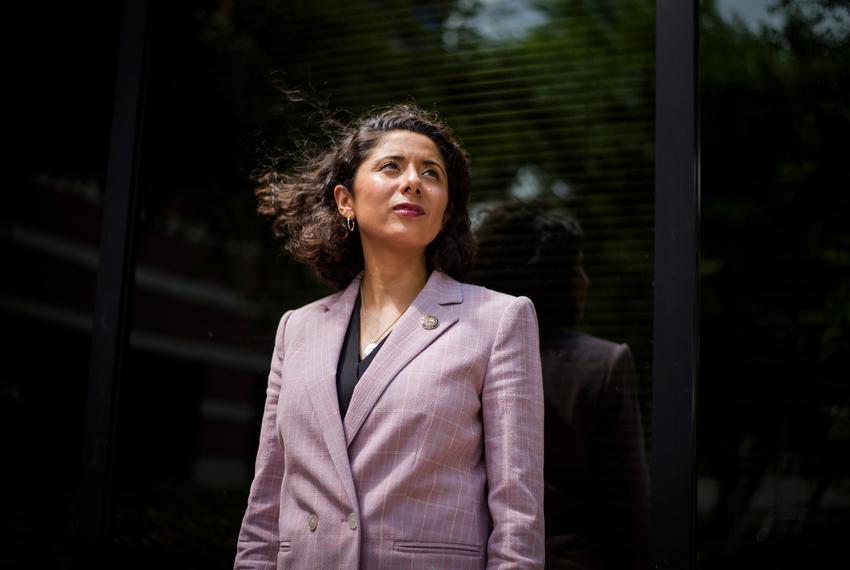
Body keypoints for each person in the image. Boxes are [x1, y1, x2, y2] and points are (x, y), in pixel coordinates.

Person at [235, 104, 545, 569]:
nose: (413, 181)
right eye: (390, 167)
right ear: (346, 201)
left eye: (431, 174)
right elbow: (266, 503)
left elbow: (517, 511)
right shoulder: (297, 328)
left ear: (445, 210)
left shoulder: (498, 320)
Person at [473, 200, 649, 569]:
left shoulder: (467, 357)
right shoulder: (600, 365)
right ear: (556, 279)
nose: (585, 280)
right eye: (576, 266)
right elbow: (628, 511)